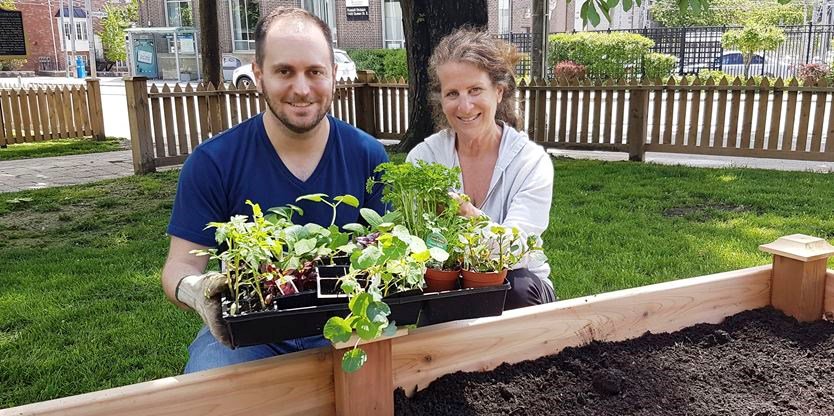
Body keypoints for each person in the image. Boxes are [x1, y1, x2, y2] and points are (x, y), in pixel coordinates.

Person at [161, 7, 388, 373]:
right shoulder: (213, 162)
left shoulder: (367, 155)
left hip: (347, 326)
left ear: (333, 75)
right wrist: (196, 291)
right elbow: (182, 263)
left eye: (315, 72)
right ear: (258, 75)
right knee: (208, 389)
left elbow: (386, 246)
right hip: (247, 335)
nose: (301, 88)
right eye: (285, 71)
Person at [406, 27, 556, 309]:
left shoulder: (530, 162)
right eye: (452, 93)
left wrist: (468, 215)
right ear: (442, 100)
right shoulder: (423, 157)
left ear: (498, 92)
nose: (464, 106)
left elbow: (515, 251)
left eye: (475, 90)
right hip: (449, 282)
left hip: (518, 288)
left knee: (517, 285)